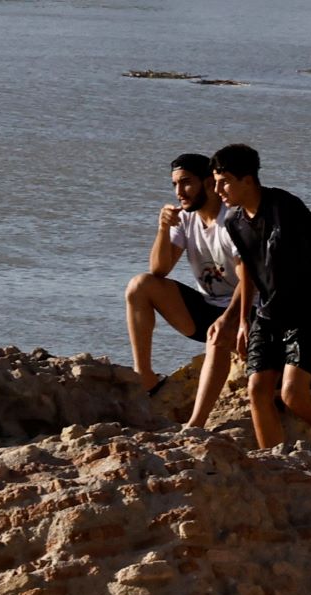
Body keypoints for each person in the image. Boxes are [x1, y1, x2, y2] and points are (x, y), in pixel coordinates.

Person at [212, 143, 311, 449]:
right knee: (257, 390)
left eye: (224, 182)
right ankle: (273, 459)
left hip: (307, 315)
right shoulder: (234, 222)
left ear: (247, 180)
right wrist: (245, 321)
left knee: (291, 394)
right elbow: (247, 271)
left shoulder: (284, 206)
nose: (218, 190)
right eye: (216, 182)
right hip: (268, 316)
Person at [123, 151, 241, 427]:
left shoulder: (233, 221)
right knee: (140, 285)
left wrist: (229, 319)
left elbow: (252, 281)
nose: (179, 192)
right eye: (175, 184)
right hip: (208, 308)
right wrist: (163, 228)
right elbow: (159, 271)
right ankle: (146, 378)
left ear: (209, 183)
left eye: (186, 182)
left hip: (246, 311)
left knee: (217, 337)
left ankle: (196, 423)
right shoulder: (187, 218)